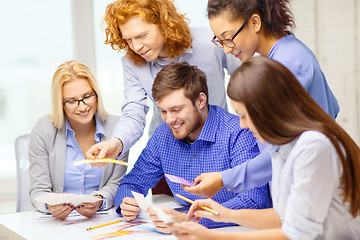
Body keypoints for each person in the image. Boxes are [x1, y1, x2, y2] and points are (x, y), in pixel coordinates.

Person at [169, 56, 360, 239]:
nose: (242, 125)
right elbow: (284, 218)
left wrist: (211, 237)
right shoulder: (280, 149)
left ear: (268, 109)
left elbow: (296, 234)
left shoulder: (314, 146)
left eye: (244, 115)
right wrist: (225, 214)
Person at [183, 0, 340, 198]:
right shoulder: (289, 53)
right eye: (219, 40)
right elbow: (332, 107)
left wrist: (224, 179)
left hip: (307, 189)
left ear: (255, 22)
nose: (226, 49)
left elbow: (279, 151)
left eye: (228, 38)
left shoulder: (287, 63)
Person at [85, 0, 240, 174]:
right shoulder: (132, 63)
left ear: (164, 24)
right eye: (128, 39)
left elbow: (250, 80)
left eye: (142, 36)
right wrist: (116, 142)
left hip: (218, 150)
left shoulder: (211, 44)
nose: (136, 46)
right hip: (169, 156)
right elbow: (134, 110)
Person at [115, 62, 269, 232]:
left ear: (200, 100)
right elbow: (132, 183)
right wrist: (127, 203)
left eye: (176, 109)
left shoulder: (238, 132)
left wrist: (191, 221)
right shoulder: (163, 135)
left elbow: (254, 200)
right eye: (163, 111)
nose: (169, 120)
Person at [29, 60, 128, 220]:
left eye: (88, 96)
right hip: (56, 223)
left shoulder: (118, 129)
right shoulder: (44, 129)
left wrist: (100, 200)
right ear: (61, 104)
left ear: (97, 95)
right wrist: (49, 205)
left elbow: (116, 183)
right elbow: (38, 190)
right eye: (72, 101)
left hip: (101, 219)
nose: (82, 107)